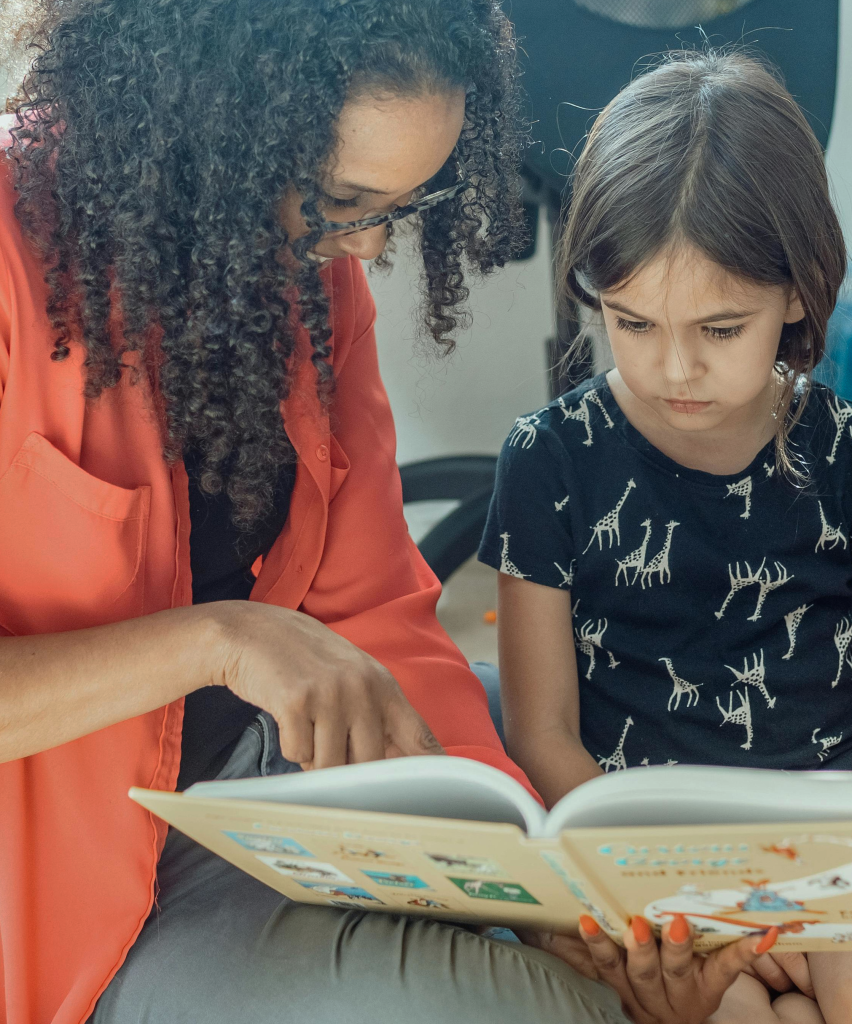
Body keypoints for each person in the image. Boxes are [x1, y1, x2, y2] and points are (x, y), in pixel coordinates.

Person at [0, 3, 775, 1021]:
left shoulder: (313, 277)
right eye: (340, 200)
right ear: (213, 121)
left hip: (275, 770)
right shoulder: (16, 258)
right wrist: (221, 639)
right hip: (73, 883)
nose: (363, 251)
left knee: (658, 760)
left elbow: (376, 613)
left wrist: (545, 899)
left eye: (399, 209)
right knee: (542, 1010)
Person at [481, 50, 852, 1022]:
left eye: (720, 329)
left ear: (798, 295)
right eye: (632, 322)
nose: (673, 367)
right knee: (733, 1011)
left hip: (843, 839)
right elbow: (543, 733)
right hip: (662, 856)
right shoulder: (547, 460)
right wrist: (667, 896)